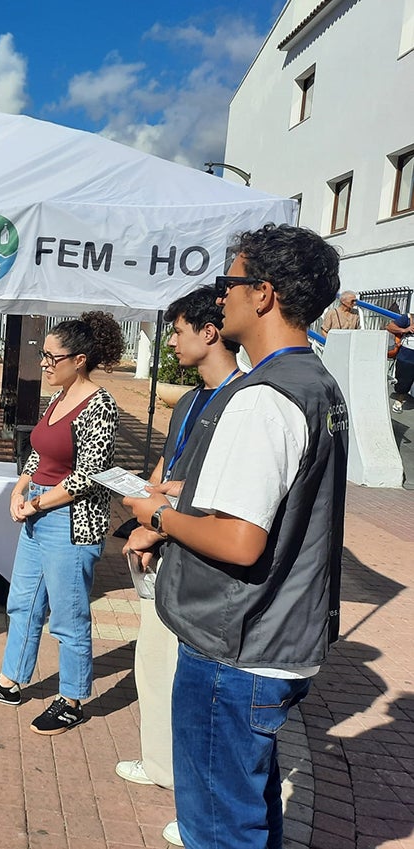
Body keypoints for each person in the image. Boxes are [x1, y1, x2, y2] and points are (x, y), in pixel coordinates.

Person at [124, 223, 348, 849]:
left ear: (265, 295)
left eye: (231, 282)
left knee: (220, 828)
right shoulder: (317, 384)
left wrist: (158, 519)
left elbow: (241, 540)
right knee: (246, 816)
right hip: (273, 637)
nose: (219, 296)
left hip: (237, 646)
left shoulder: (264, 397)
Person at [117, 285, 243, 848]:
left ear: (210, 331)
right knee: (152, 661)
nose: (170, 341)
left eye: (177, 330)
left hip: (198, 553)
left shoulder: (244, 398)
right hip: (165, 539)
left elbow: (225, 491)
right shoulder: (191, 399)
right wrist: (146, 510)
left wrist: (157, 520)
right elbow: (171, 464)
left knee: (191, 682)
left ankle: (196, 804)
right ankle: (160, 762)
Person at [0, 312, 123, 734]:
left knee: (68, 615)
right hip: (40, 512)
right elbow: (39, 455)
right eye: (43, 355)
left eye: (53, 357)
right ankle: (10, 680)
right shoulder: (58, 399)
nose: (45, 364)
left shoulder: (100, 405)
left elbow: (88, 475)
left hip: (69, 520)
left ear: (80, 359)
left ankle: (71, 698)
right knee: (24, 602)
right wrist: (20, 489)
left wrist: (37, 503)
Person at [385, 308, 414, 412]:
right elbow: (389, 326)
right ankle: (399, 401)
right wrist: (404, 330)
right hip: (407, 354)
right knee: (403, 381)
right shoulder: (408, 318)